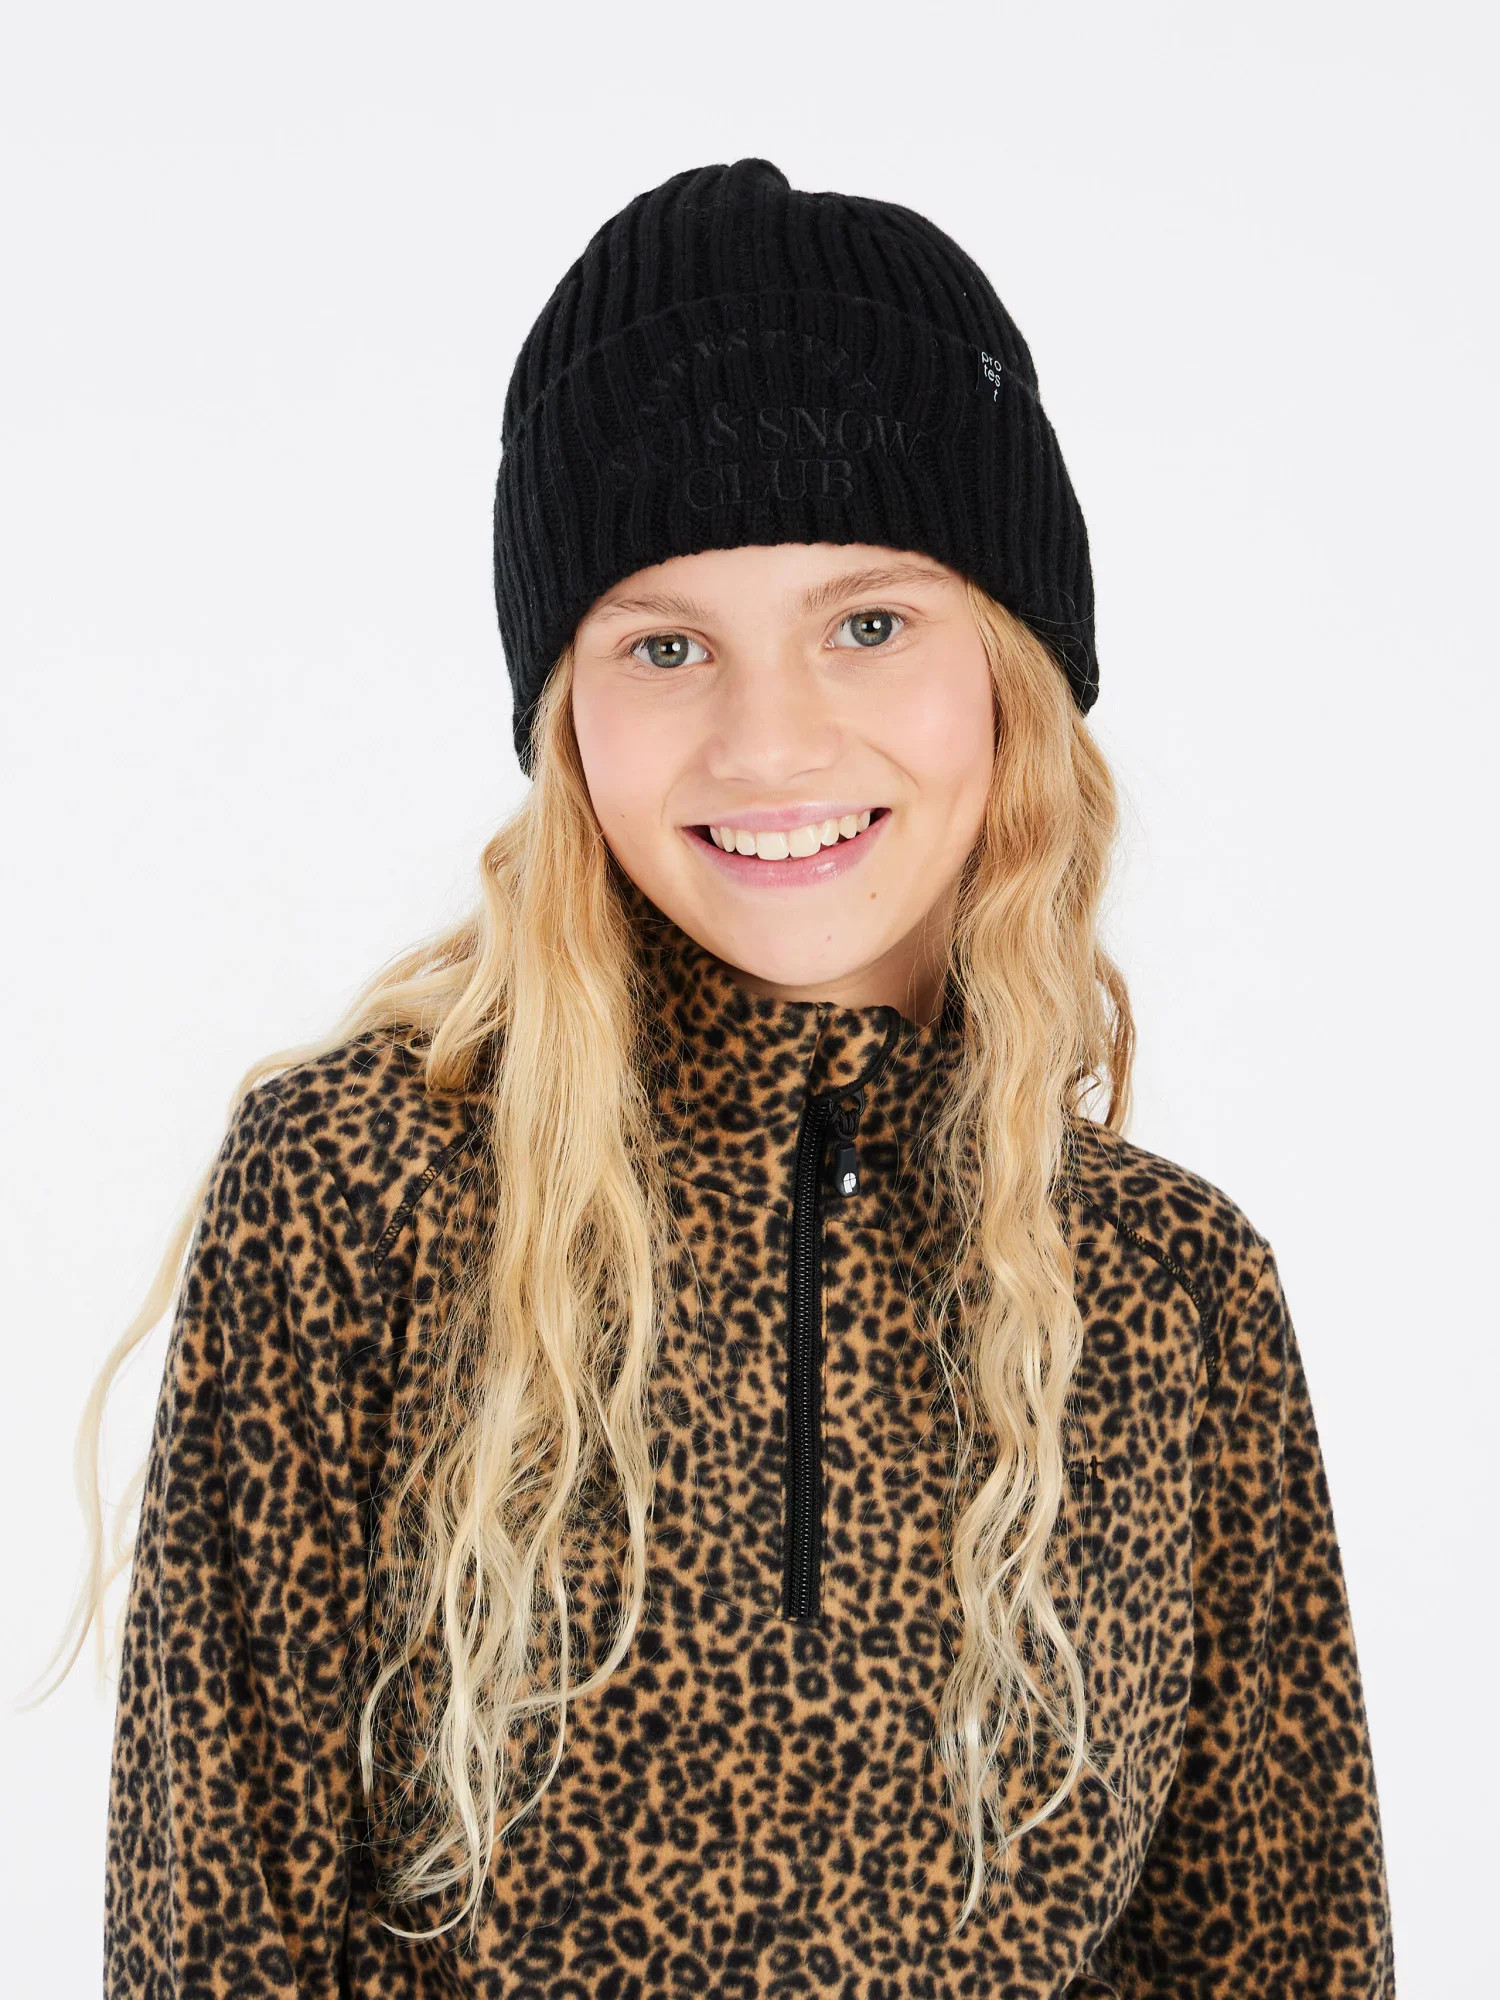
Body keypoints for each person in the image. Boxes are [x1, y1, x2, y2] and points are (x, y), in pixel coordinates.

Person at [41, 158, 1395, 1997]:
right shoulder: (358, 1186)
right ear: (565, 712)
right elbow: (213, 1937)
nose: (770, 742)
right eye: (665, 645)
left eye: (868, 624)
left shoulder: (1175, 1295)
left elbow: (1288, 1953)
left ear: (1011, 668)